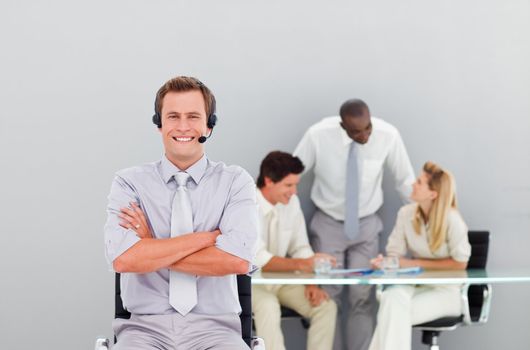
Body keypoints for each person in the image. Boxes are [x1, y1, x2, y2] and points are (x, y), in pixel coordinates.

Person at [103, 76, 259, 350]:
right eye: (173, 116)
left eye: (193, 116)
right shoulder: (129, 183)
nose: (183, 126)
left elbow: (236, 261)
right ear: (159, 124)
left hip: (217, 331)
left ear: (209, 125)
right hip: (143, 331)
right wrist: (208, 238)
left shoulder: (236, 181)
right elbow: (123, 259)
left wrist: (151, 246)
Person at [293, 99, 415, 350]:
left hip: (367, 225)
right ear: (342, 126)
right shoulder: (318, 135)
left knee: (363, 298)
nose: (365, 135)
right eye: (357, 131)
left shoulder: (388, 135)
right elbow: (291, 175)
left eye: (368, 128)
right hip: (328, 224)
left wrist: (422, 222)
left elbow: (405, 182)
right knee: (329, 298)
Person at [368, 161, 471, 350]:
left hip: (445, 292)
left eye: (419, 182)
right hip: (415, 285)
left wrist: (410, 263)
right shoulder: (406, 214)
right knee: (391, 298)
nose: (412, 185)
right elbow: (395, 254)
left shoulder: (452, 219)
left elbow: (460, 264)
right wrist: (385, 263)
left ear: (433, 194)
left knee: (392, 314)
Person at [252, 151, 337, 350]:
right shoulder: (246, 205)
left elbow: (300, 247)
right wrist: (303, 265)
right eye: (289, 185)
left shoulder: (291, 203)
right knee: (268, 305)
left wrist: (310, 283)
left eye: (296, 185)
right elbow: (257, 258)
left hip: (280, 281)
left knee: (325, 306)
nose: (294, 191)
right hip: (251, 283)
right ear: (269, 181)